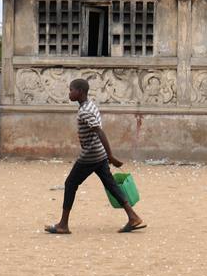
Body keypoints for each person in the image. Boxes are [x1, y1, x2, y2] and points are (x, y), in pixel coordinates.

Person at [46, 78, 145, 234]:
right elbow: (94, 129)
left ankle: (63, 225)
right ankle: (133, 217)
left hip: (91, 155)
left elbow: (99, 130)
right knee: (111, 184)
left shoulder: (85, 110)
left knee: (70, 183)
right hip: (99, 154)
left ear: (80, 92)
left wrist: (111, 156)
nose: (69, 93)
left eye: (71, 90)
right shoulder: (90, 105)